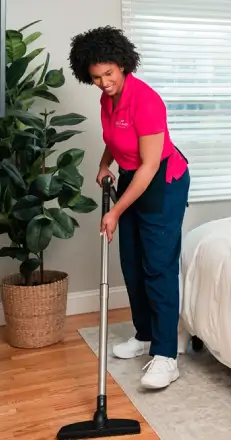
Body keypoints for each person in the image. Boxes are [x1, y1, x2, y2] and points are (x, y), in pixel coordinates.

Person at [68, 26, 190, 390]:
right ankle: (145, 335)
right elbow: (115, 136)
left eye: (109, 73)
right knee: (132, 264)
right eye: (95, 77)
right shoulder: (107, 98)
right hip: (132, 176)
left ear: (123, 65)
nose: (104, 82)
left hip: (161, 180)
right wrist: (105, 163)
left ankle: (167, 355)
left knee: (158, 267)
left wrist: (116, 211)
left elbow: (150, 164)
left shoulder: (146, 100)